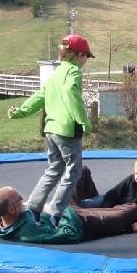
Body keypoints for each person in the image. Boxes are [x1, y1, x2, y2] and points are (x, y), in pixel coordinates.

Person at [8, 34, 94, 227]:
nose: (86, 61)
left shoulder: (55, 74)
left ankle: (33, 207)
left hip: (51, 130)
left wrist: (20, 112)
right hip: (66, 130)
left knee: (54, 169)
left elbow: (40, 96)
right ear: (79, 55)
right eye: (86, 56)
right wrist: (83, 122)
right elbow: (71, 94)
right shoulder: (74, 72)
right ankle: (56, 212)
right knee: (73, 172)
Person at [0, 186, 137, 244]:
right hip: (82, 221)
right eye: (19, 199)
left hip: (66, 210)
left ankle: (101, 202)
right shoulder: (28, 230)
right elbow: (69, 235)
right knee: (133, 210)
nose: (23, 200)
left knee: (80, 172)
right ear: (11, 210)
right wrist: (54, 209)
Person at [82, 154, 137, 218]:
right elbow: (114, 192)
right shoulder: (131, 179)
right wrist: (105, 206)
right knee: (90, 203)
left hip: (123, 211)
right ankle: (74, 206)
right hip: (114, 203)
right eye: (136, 174)